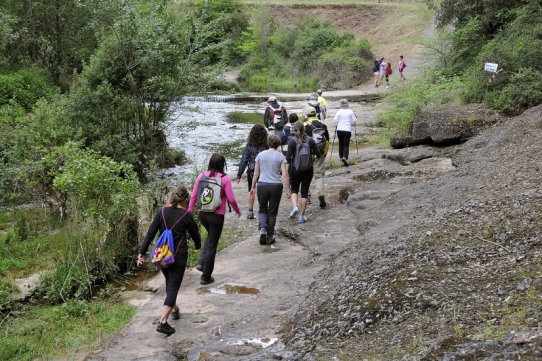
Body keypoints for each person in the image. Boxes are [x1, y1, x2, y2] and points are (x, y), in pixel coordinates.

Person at [137, 186, 202, 335]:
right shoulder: (186, 214)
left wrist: (141, 253)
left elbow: (150, 233)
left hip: (163, 255)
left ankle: (174, 309)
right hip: (178, 256)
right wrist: (199, 247)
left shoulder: (162, 211)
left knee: (169, 283)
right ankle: (163, 322)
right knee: (173, 287)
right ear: (185, 199)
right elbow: (195, 233)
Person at [189, 153, 241, 285]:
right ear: (222, 164)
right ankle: (206, 277)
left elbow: (194, 196)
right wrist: (237, 210)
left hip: (203, 214)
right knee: (212, 244)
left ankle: (201, 262)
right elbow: (231, 199)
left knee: (210, 237)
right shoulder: (225, 179)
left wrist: (189, 212)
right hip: (216, 216)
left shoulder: (201, 176)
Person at [249, 134, 290, 245]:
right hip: (276, 186)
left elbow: (256, 173)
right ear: (278, 144)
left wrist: (253, 187)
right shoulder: (281, 156)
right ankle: (270, 235)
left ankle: (262, 229)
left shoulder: (260, 155)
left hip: (262, 185)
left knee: (262, 209)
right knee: (272, 212)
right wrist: (288, 190)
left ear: (268, 143)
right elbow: (285, 174)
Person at [286, 121, 321, 223]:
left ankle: (295, 207)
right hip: (308, 170)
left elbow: (288, 157)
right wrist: (313, 157)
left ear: (294, 129)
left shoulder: (292, 142)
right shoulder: (310, 141)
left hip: (295, 169)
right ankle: (301, 216)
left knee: (294, 190)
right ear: (304, 129)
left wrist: (287, 171)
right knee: (304, 192)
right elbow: (318, 154)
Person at [237, 124, 269, 219]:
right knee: (264, 191)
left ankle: (250, 212)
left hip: (252, 171)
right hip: (264, 171)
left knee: (251, 190)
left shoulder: (249, 146)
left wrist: (239, 174)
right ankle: (264, 209)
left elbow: (244, 160)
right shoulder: (267, 145)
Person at [303, 106, 330, 208]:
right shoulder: (323, 125)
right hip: (320, 152)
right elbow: (327, 141)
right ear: (316, 114)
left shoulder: (305, 125)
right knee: (318, 175)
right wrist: (324, 153)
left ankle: (307, 195)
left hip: (307, 154)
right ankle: (320, 194)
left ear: (307, 115)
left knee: (305, 174)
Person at [332, 99, 358, 167]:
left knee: (341, 144)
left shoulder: (339, 112)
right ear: (347, 104)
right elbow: (354, 121)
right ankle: (344, 157)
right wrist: (351, 123)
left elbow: (334, 121)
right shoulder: (350, 111)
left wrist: (336, 124)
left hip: (339, 129)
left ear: (340, 105)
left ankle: (341, 158)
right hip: (347, 129)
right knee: (346, 144)